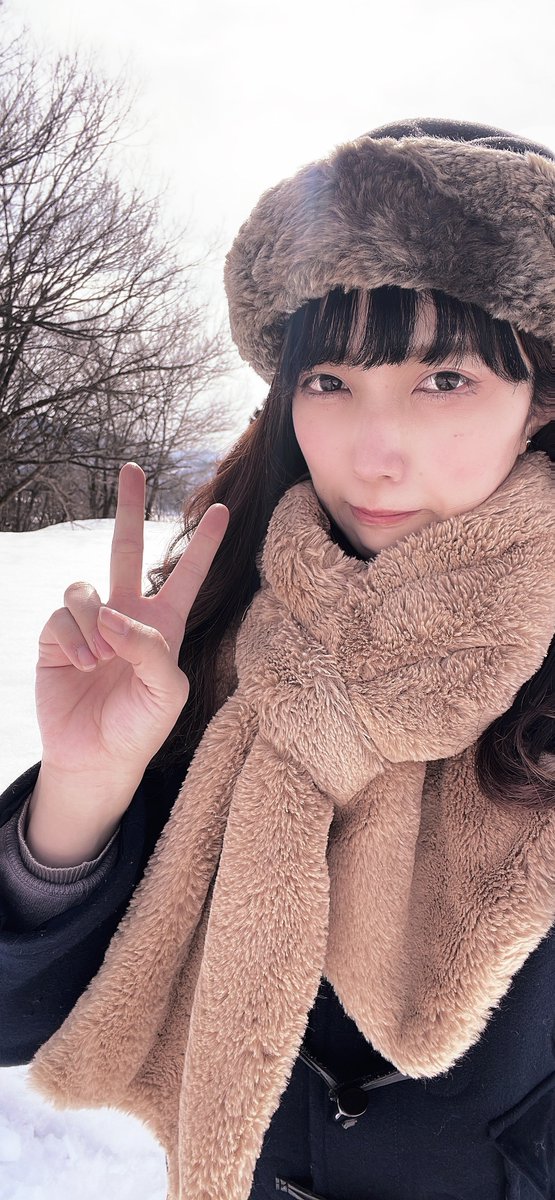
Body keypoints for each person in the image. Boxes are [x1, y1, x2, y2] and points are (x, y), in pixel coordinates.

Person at [1, 117, 554, 1200]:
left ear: (540, 399)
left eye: (445, 380)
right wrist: (85, 791)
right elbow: (16, 1014)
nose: (372, 452)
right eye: (330, 381)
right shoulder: (216, 631)